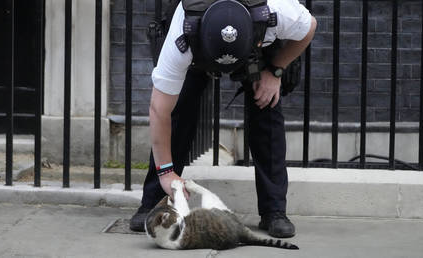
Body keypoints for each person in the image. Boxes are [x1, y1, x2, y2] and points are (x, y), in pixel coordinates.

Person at [130, 0, 316, 238]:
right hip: (200, 44)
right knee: (180, 108)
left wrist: (276, 70)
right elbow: (159, 109)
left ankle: (274, 211)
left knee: (267, 106)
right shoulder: (184, 34)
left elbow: (310, 26)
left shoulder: (276, 13)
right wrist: (166, 172)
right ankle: (155, 200)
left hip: (256, 44)